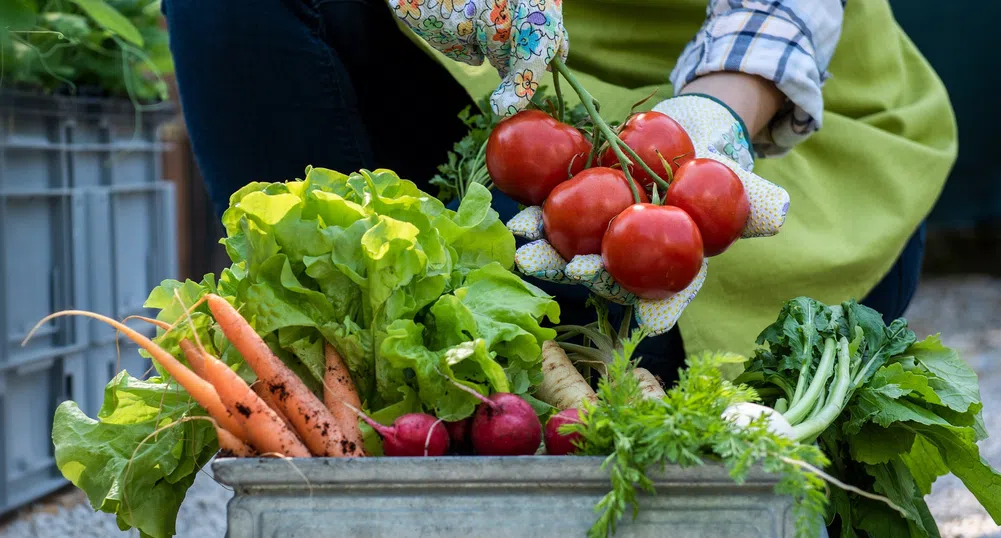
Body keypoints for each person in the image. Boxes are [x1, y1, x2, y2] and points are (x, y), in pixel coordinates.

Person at [159, 0, 956, 383]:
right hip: (509, 96)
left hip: (772, 115)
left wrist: (714, 120)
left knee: (561, 308)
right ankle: (329, 388)